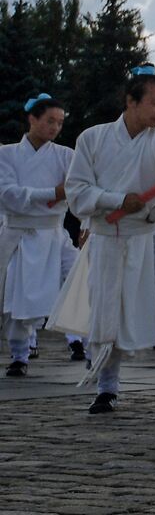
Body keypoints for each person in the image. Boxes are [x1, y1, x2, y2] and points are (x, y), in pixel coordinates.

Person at [61, 66, 155, 412]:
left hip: (150, 238)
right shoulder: (92, 138)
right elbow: (77, 190)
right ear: (130, 101)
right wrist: (117, 200)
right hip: (108, 239)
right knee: (108, 315)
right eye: (154, 103)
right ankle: (106, 386)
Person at [1, 95, 77, 377]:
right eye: (49, 121)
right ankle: (19, 353)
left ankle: (82, 342)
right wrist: (52, 194)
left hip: (53, 233)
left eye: (59, 123)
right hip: (18, 234)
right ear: (32, 119)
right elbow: (8, 194)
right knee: (14, 298)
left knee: (78, 281)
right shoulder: (6, 154)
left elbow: (78, 191)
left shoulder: (66, 156)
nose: (55, 128)